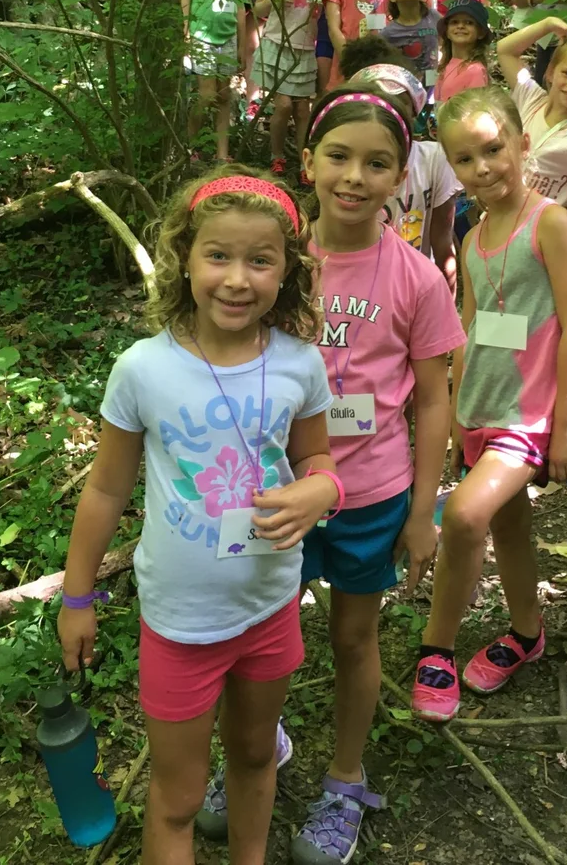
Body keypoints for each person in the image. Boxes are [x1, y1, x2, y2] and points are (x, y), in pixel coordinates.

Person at [196, 89, 465, 864]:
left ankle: (344, 778)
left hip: (370, 493)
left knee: (354, 635)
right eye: (338, 156)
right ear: (308, 162)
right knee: (257, 638)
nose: (355, 177)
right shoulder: (270, 258)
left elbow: (435, 398)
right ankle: (257, 751)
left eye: (377, 162)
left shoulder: (415, 276)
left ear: (401, 174)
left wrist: (424, 509)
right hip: (271, 489)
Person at [57, 167, 343, 865]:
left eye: (260, 260)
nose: (237, 279)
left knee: (253, 759)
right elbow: (104, 491)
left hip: (270, 606)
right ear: (184, 259)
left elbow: (319, 462)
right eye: (218, 255)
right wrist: (76, 596)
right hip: (180, 624)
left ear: (288, 272)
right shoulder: (142, 370)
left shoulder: (300, 364)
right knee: (179, 796)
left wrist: (323, 491)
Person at [410, 88, 567, 722]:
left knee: (463, 518)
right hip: (480, 411)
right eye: (464, 159)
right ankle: (526, 631)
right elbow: (470, 327)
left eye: (493, 149)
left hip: (529, 416)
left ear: (521, 145)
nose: (482, 167)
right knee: (510, 527)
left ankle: (435, 650)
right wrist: (458, 407)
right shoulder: (472, 234)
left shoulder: (551, 222)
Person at [348, 56, 461, 292]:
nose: (390, 118)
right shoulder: (348, 163)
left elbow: (442, 238)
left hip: (416, 283)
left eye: (400, 108)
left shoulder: (434, 158)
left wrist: (446, 302)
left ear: (413, 114)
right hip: (360, 281)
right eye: (379, 107)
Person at [496, 20, 567, 213]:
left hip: (538, 231)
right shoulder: (531, 98)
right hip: (499, 212)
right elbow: (505, 50)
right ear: (550, 73)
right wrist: (547, 25)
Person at [252, 0, 328, 177]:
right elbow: (258, 10)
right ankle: (277, 155)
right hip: (276, 45)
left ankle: (305, 164)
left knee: (302, 110)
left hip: (305, 49)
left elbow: (327, 13)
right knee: (283, 105)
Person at [180, 0, 245, 165]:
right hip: (203, 34)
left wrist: (242, 45)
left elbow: (240, 6)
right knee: (207, 95)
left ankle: (221, 154)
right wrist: (187, 24)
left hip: (228, 36)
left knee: (224, 95)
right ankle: (191, 147)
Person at [381, 0, 441, 83]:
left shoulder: (433, 17)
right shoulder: (388, 34)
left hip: (433, 87)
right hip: (405, 89)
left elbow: (448, 40)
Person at [434, 0, 491, 103]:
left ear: (481, 33)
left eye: (469, 22)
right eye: (454, 22)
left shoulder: (475, 70)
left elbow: (475, 110)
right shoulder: (445, 66)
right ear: (446, 31)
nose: (460, 26)